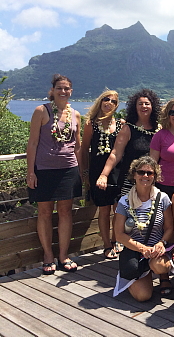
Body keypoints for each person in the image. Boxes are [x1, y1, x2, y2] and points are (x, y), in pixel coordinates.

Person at [26, 74, 82, 275]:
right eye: (59, 88)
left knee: (66, 212)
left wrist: (80, 172)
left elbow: (77, 145)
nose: (63, 91)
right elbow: (32, 143)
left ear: (71, 91)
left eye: (67, 88)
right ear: (52, 90)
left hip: (68, 169)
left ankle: (64, 255)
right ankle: (48, 255)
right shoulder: (41, 111)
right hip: (44, 169)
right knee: (45, 213)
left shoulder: (75, 115)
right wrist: (30, 171)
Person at [113, 156, 174, 301]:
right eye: (141, 172)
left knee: (160, 266)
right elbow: (119, 235)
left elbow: (170, 228)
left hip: (156, 250)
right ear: (134, 175)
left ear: (155, 176)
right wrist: (141, 249)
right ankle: (136, 274)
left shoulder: (163, 198)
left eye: (149, 173)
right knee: (143, 296)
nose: (145, 176)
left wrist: (162, 243)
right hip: (135, 250)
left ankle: (162, 276)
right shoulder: (125, 201)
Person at [80, 90, 124, 259]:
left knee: (118, 210)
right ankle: (106, 244)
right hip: (98, 173)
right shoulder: (91, 123)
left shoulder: (121, 124)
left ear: (116, 105)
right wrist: (84, 172)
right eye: (106, 99)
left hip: (118, 172)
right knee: (104, 210)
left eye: (113, 101)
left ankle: (116, 240)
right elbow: (84, 149)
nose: (109, 103)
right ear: (100, 101)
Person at [96, 89, 161, 197]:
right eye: (140, 104)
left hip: (151, 179)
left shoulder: (158, 129)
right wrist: (104, 175)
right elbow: (116, 153)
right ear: (135, 107)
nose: (143, 106)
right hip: (130, 180)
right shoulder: (128, 129)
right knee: (126, 211)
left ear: (153, 106)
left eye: (147, 104)